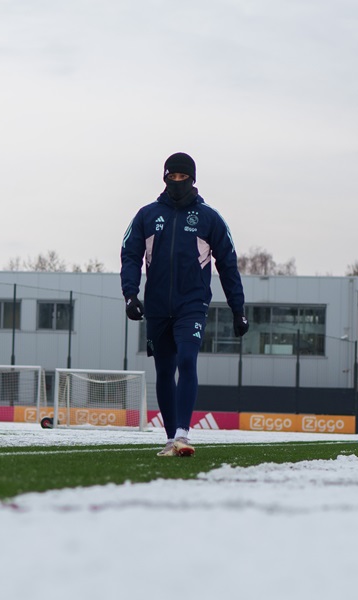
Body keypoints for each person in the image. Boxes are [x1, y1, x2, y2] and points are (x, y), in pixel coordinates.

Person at [120, 152, 249, 457]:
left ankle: (183, 433)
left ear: (193, 179)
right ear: (164, 178)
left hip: (192, 303)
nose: (177, 182)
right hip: (156, 305)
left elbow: (228, 265)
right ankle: (170, 440)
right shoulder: (147, 216)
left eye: (183, 177)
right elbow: (129, 255)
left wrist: (238, 309)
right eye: (172, 177)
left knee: (186, 361)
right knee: (164, 370)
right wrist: (130, 294)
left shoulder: (209, 218)